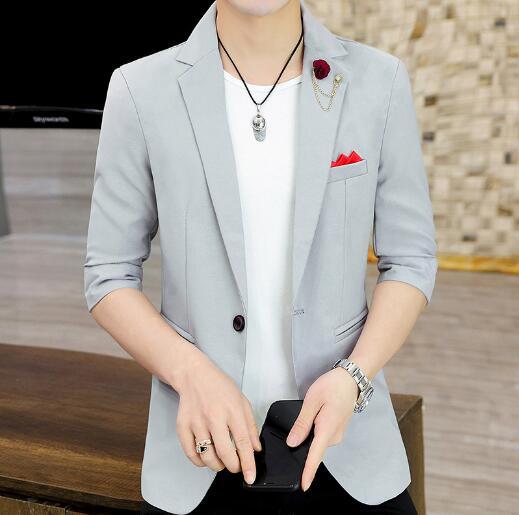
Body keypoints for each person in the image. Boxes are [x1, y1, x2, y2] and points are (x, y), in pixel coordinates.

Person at [84, 0, 437, 514]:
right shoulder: (139, 89)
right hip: (199, 451)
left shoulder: (378, 82)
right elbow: (108, 274)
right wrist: (190, 372)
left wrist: (354, 376)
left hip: (346, 442)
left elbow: (410, 259)